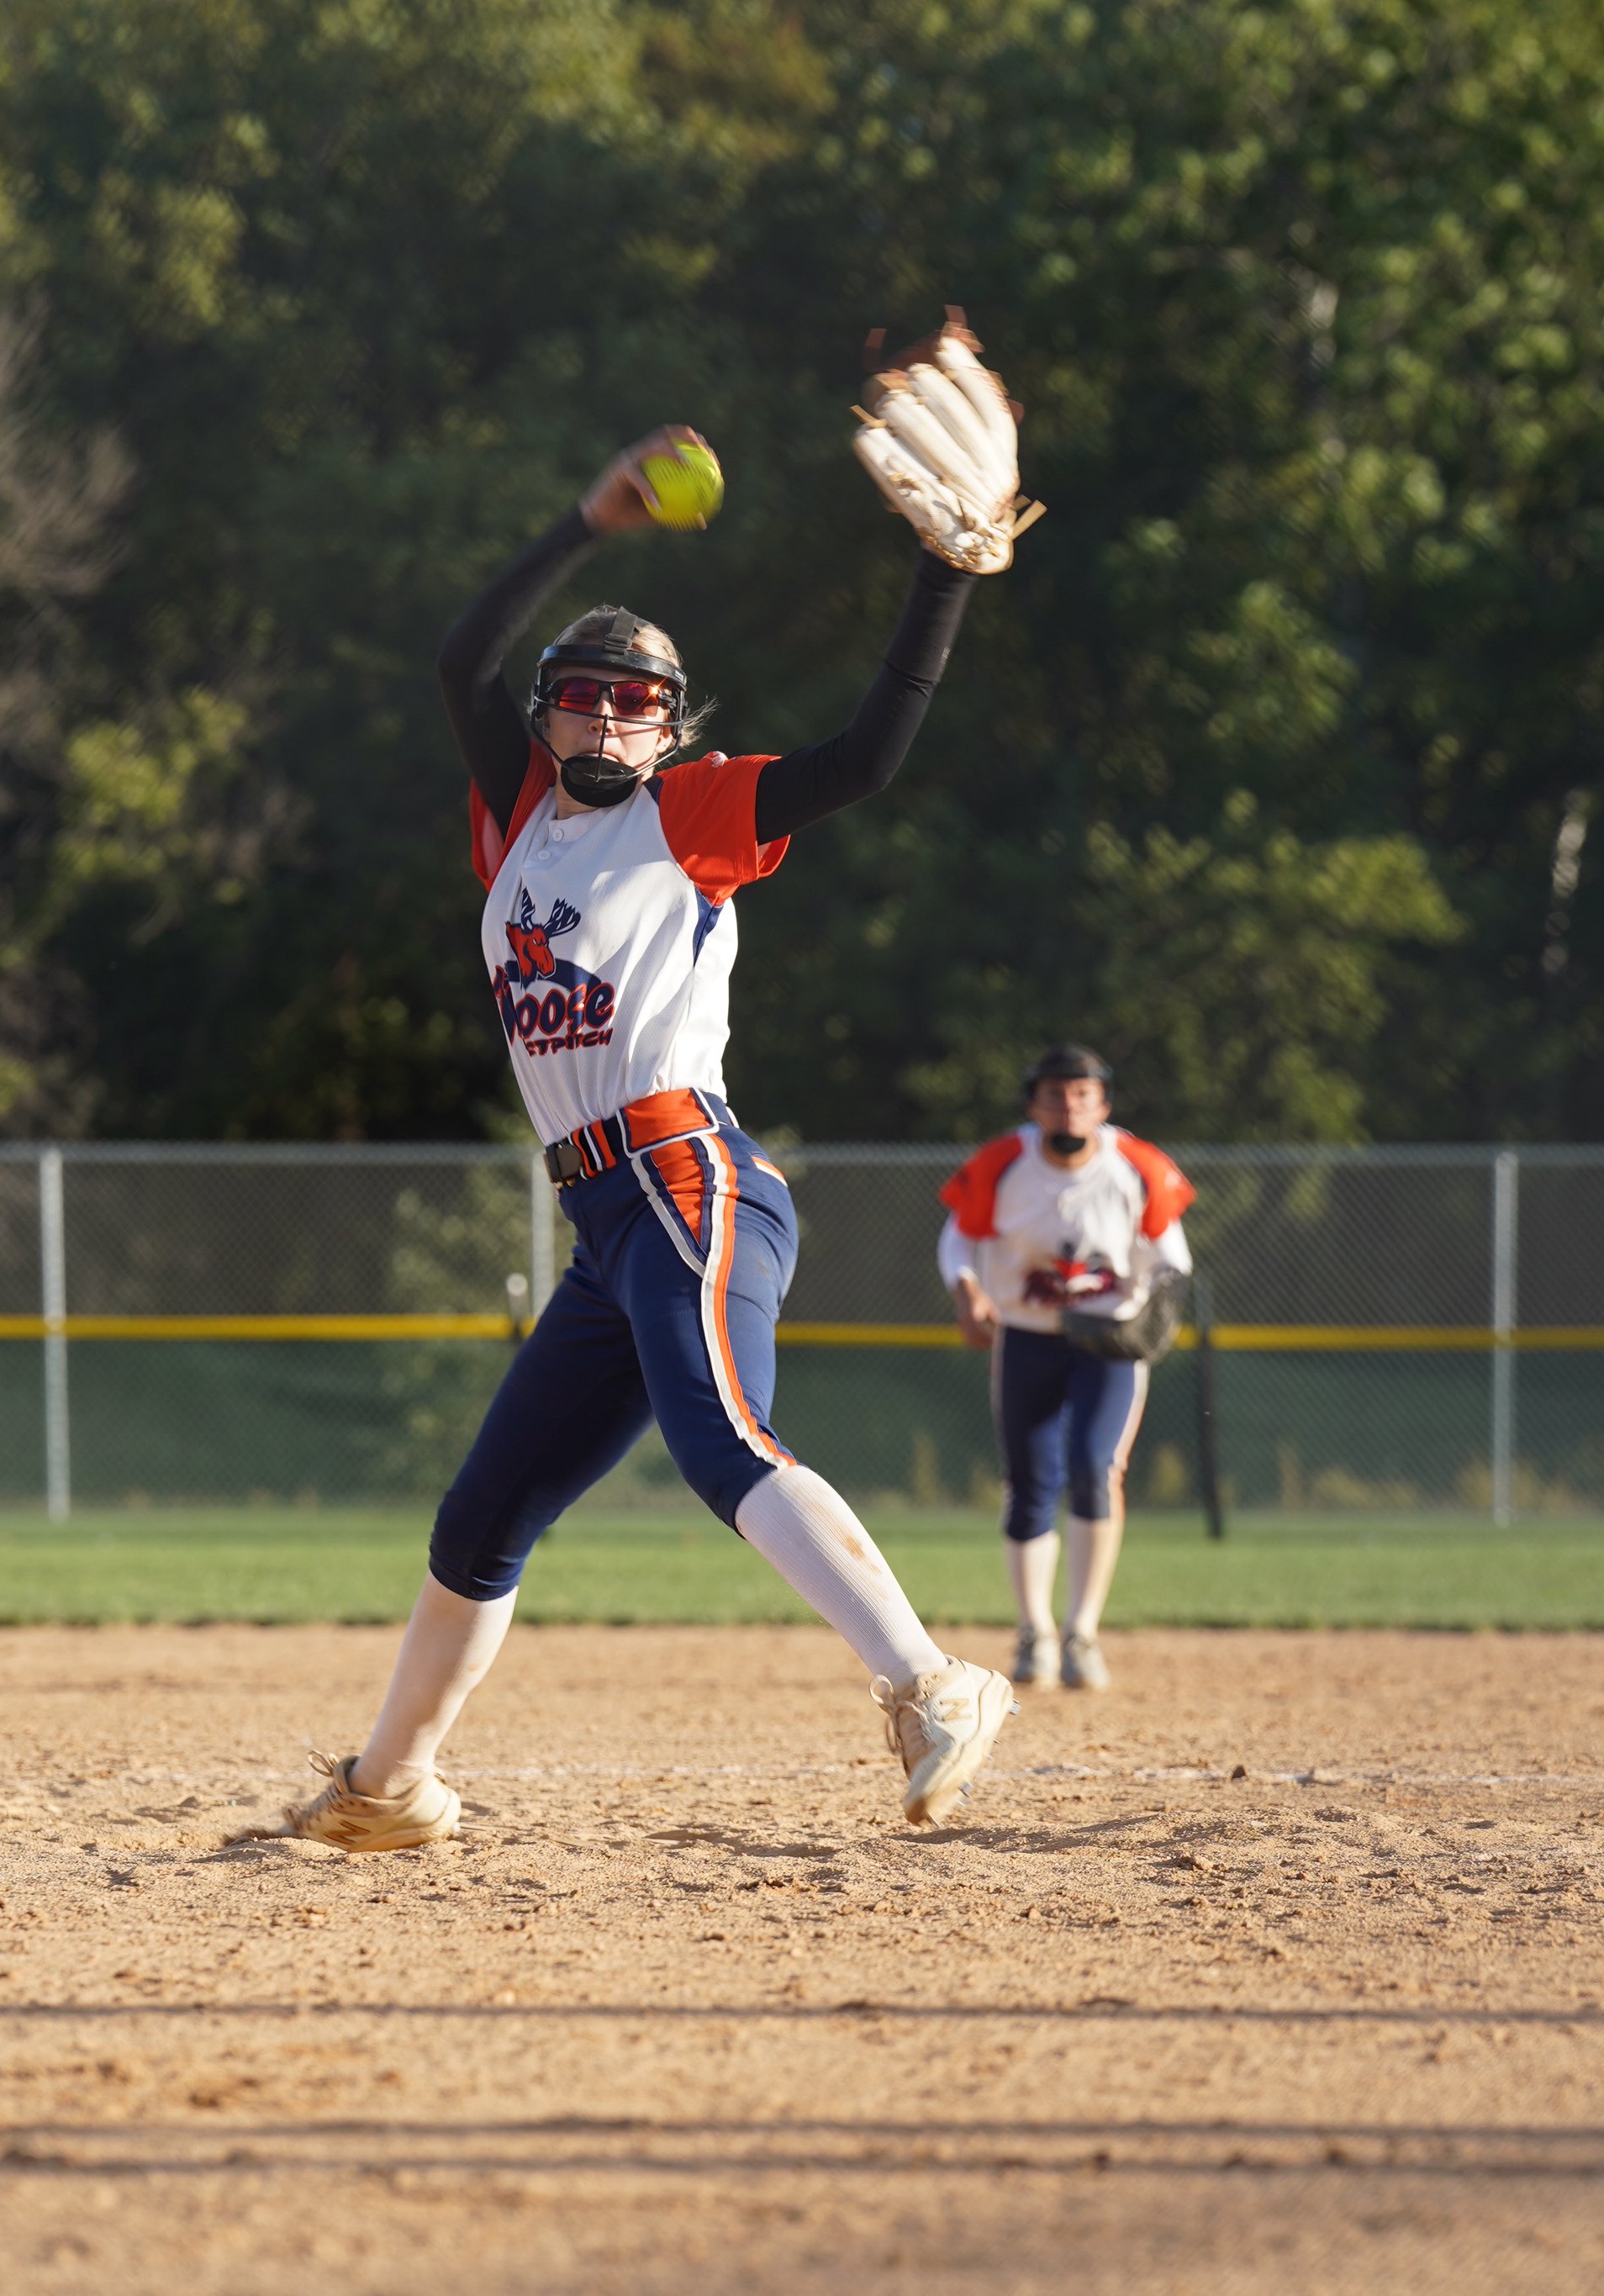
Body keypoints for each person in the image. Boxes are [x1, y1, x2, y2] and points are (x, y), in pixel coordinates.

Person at [276, 326, 1041, 1852]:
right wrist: (586, 522)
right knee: (484, 1517)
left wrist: (943, 580)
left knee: (720, 1442)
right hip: (608, 1224)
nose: (613, 717)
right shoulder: (514, 814)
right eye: (589, 696)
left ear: (673, 728)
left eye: (642, 702)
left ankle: (932, 1682)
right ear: (551, 714)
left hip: (689, 1178)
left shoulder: (693, 815)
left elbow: (866, 758)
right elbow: (457, 659)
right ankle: (391, 1785)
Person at [937, 1045, 1195, 1692]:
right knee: (1028, 1482)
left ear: (1103, 1105)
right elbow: (959, 1234)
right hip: (1026, 1334)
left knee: (1093, 1467)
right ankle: (1036, 1633)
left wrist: (1158, 1301)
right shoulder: (1004, 1162)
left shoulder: (1135, 1165)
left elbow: (1171, 1256)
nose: (1068, 1104)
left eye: (1082, 1094)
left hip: (1108, 1341)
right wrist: (965, 1286)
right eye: (1055, 1093)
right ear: (1034, 1104)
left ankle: (1081, 1632)